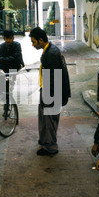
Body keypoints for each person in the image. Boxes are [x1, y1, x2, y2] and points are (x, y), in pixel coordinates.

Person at [29, 27, 71, 156]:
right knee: (45, 118)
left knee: (49, 120)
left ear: (40, 40)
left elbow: (53, 78)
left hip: (52, 91)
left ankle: (50, 147)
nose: (32, 45)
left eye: (33, 42)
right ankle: (45, 141)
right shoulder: (49, 49)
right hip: (51, 90)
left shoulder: (50, 53)